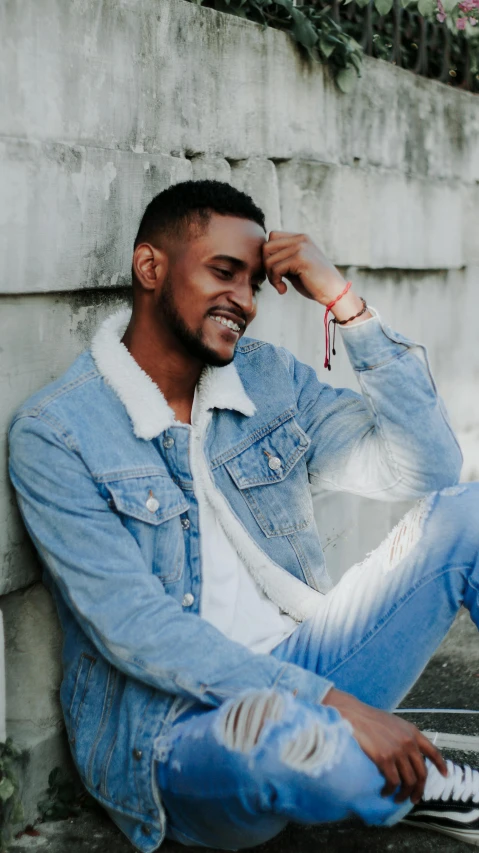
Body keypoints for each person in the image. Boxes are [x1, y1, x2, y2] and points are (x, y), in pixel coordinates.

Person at [8, 179, 479, 852]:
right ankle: (400, 774)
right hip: (176, 728)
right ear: (151, 267)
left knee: (467, 512)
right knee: (286, 749)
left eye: (253, 282)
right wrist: (331, 705)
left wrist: (344, 303)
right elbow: (136, 628)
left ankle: (354, 761)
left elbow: (426, 467)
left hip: (307, 664)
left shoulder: (267, 379)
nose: (245, 301)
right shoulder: (57, 432)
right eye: (222, 272)